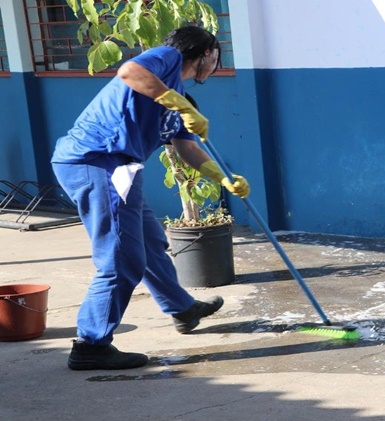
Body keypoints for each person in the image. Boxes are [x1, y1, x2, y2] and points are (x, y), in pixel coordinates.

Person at [51, 26, 250, 370]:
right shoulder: (167, 59)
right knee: (120, 256)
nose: (217, 65)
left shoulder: (181, 100)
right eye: (217, 57)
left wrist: (223, 178)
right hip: (98, 161)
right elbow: (129, 71)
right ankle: (91, 344)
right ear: (205, 53)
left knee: (149, 241)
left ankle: (182, 309)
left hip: (123, 168)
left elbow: (187, 148)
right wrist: (175, 101)